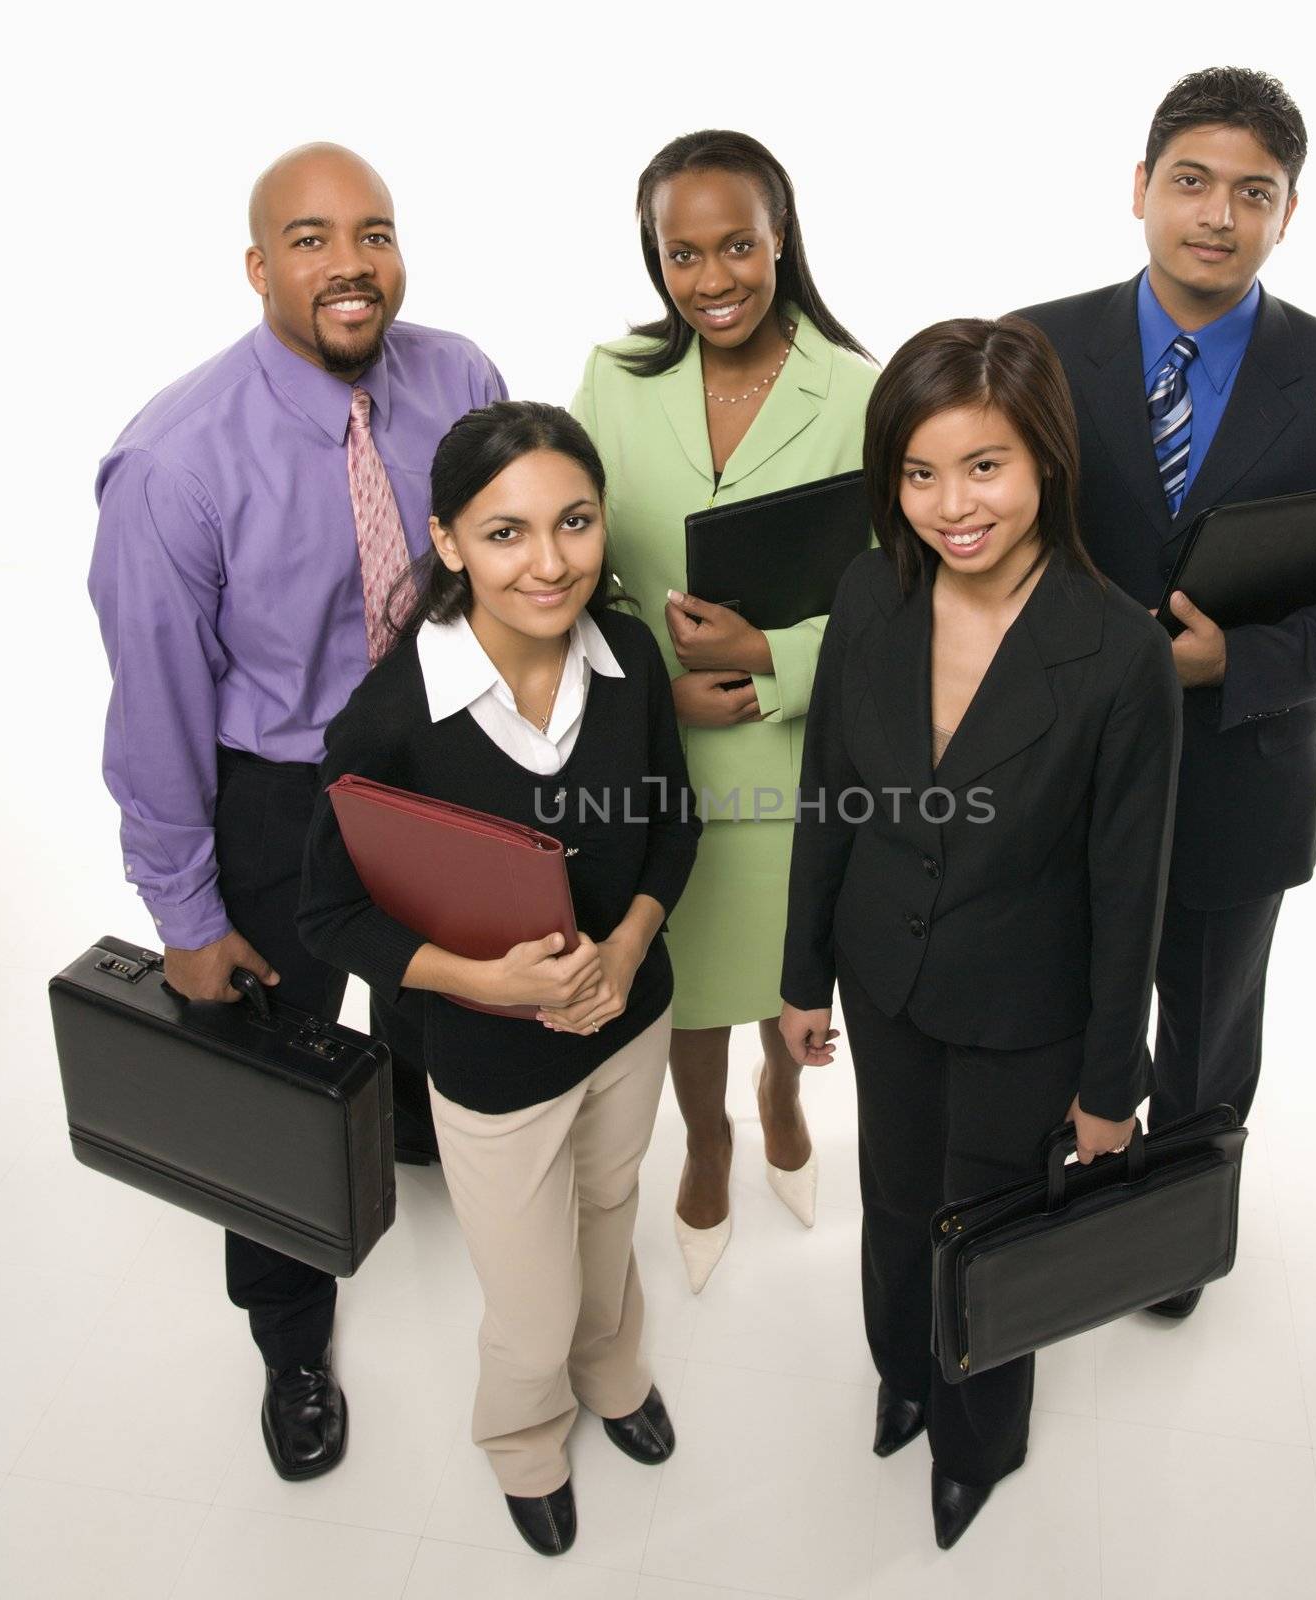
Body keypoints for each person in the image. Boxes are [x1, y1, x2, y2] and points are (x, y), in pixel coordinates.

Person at [87, 143, 507, 1479]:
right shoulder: (173, 463)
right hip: (282, 795)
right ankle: (289, 1340)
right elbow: (152, 712)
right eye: (312, 239)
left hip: (433, 750)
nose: (351, 264)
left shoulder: (461, 378)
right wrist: (185, 916)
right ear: (259, 267)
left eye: (373, 233)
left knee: (427, 988)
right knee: (271, 1076)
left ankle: (408, 1118)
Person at [1013, 67, 1316, 1317]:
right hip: (1052, 775)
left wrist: (1238, 664)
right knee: (1048, 1010)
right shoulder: (1032, 346)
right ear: (1139, 189)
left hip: (1235, 777)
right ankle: (1043, 1211)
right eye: (1191, 182)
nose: (1217, 215)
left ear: (1287, 214)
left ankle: (1167, 1247)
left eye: (1251, 193)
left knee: (1204, 1043)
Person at [780, 317, 1181, 1549]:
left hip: (1024, 1009)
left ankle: (978, 1437)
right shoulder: (869, 590)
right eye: (919, 472)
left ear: (1046, 461)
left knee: (990, 1228)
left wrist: (1112, 1086)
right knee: (895, 1197)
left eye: (984, 466)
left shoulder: (1119, 656)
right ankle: (903, 1371)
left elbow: (1131, 897)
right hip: (884, 980)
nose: (951, 505)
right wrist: (800, 979)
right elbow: (829, 791)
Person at [298, 402, 700, 1558]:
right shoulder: (391, 716)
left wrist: (625, 946)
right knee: (527, 1300)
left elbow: (674, 823)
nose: (551, 560)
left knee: (612, 1215)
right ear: (448, 541)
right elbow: (332, 911)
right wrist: (480, 978)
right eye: (508, 532)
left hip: (626, 1021)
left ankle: (614, 1374)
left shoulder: (625, 654)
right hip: (492, 1057)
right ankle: (524, 1435)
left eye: (574, 522)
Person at [571, 129, 877, 1292]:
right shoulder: (613, 376)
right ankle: (704, 1137)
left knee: (787, 964)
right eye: (681, 253)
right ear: (654, 258)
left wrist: (776, 655)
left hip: (793, 754)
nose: (712, 280)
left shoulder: (856, 390)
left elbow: (902, 590)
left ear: (781, 238)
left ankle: (783, 1089)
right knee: (690, 983)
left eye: (737, 245)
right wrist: (652, 673)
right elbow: (576, 557)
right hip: (660, 757)